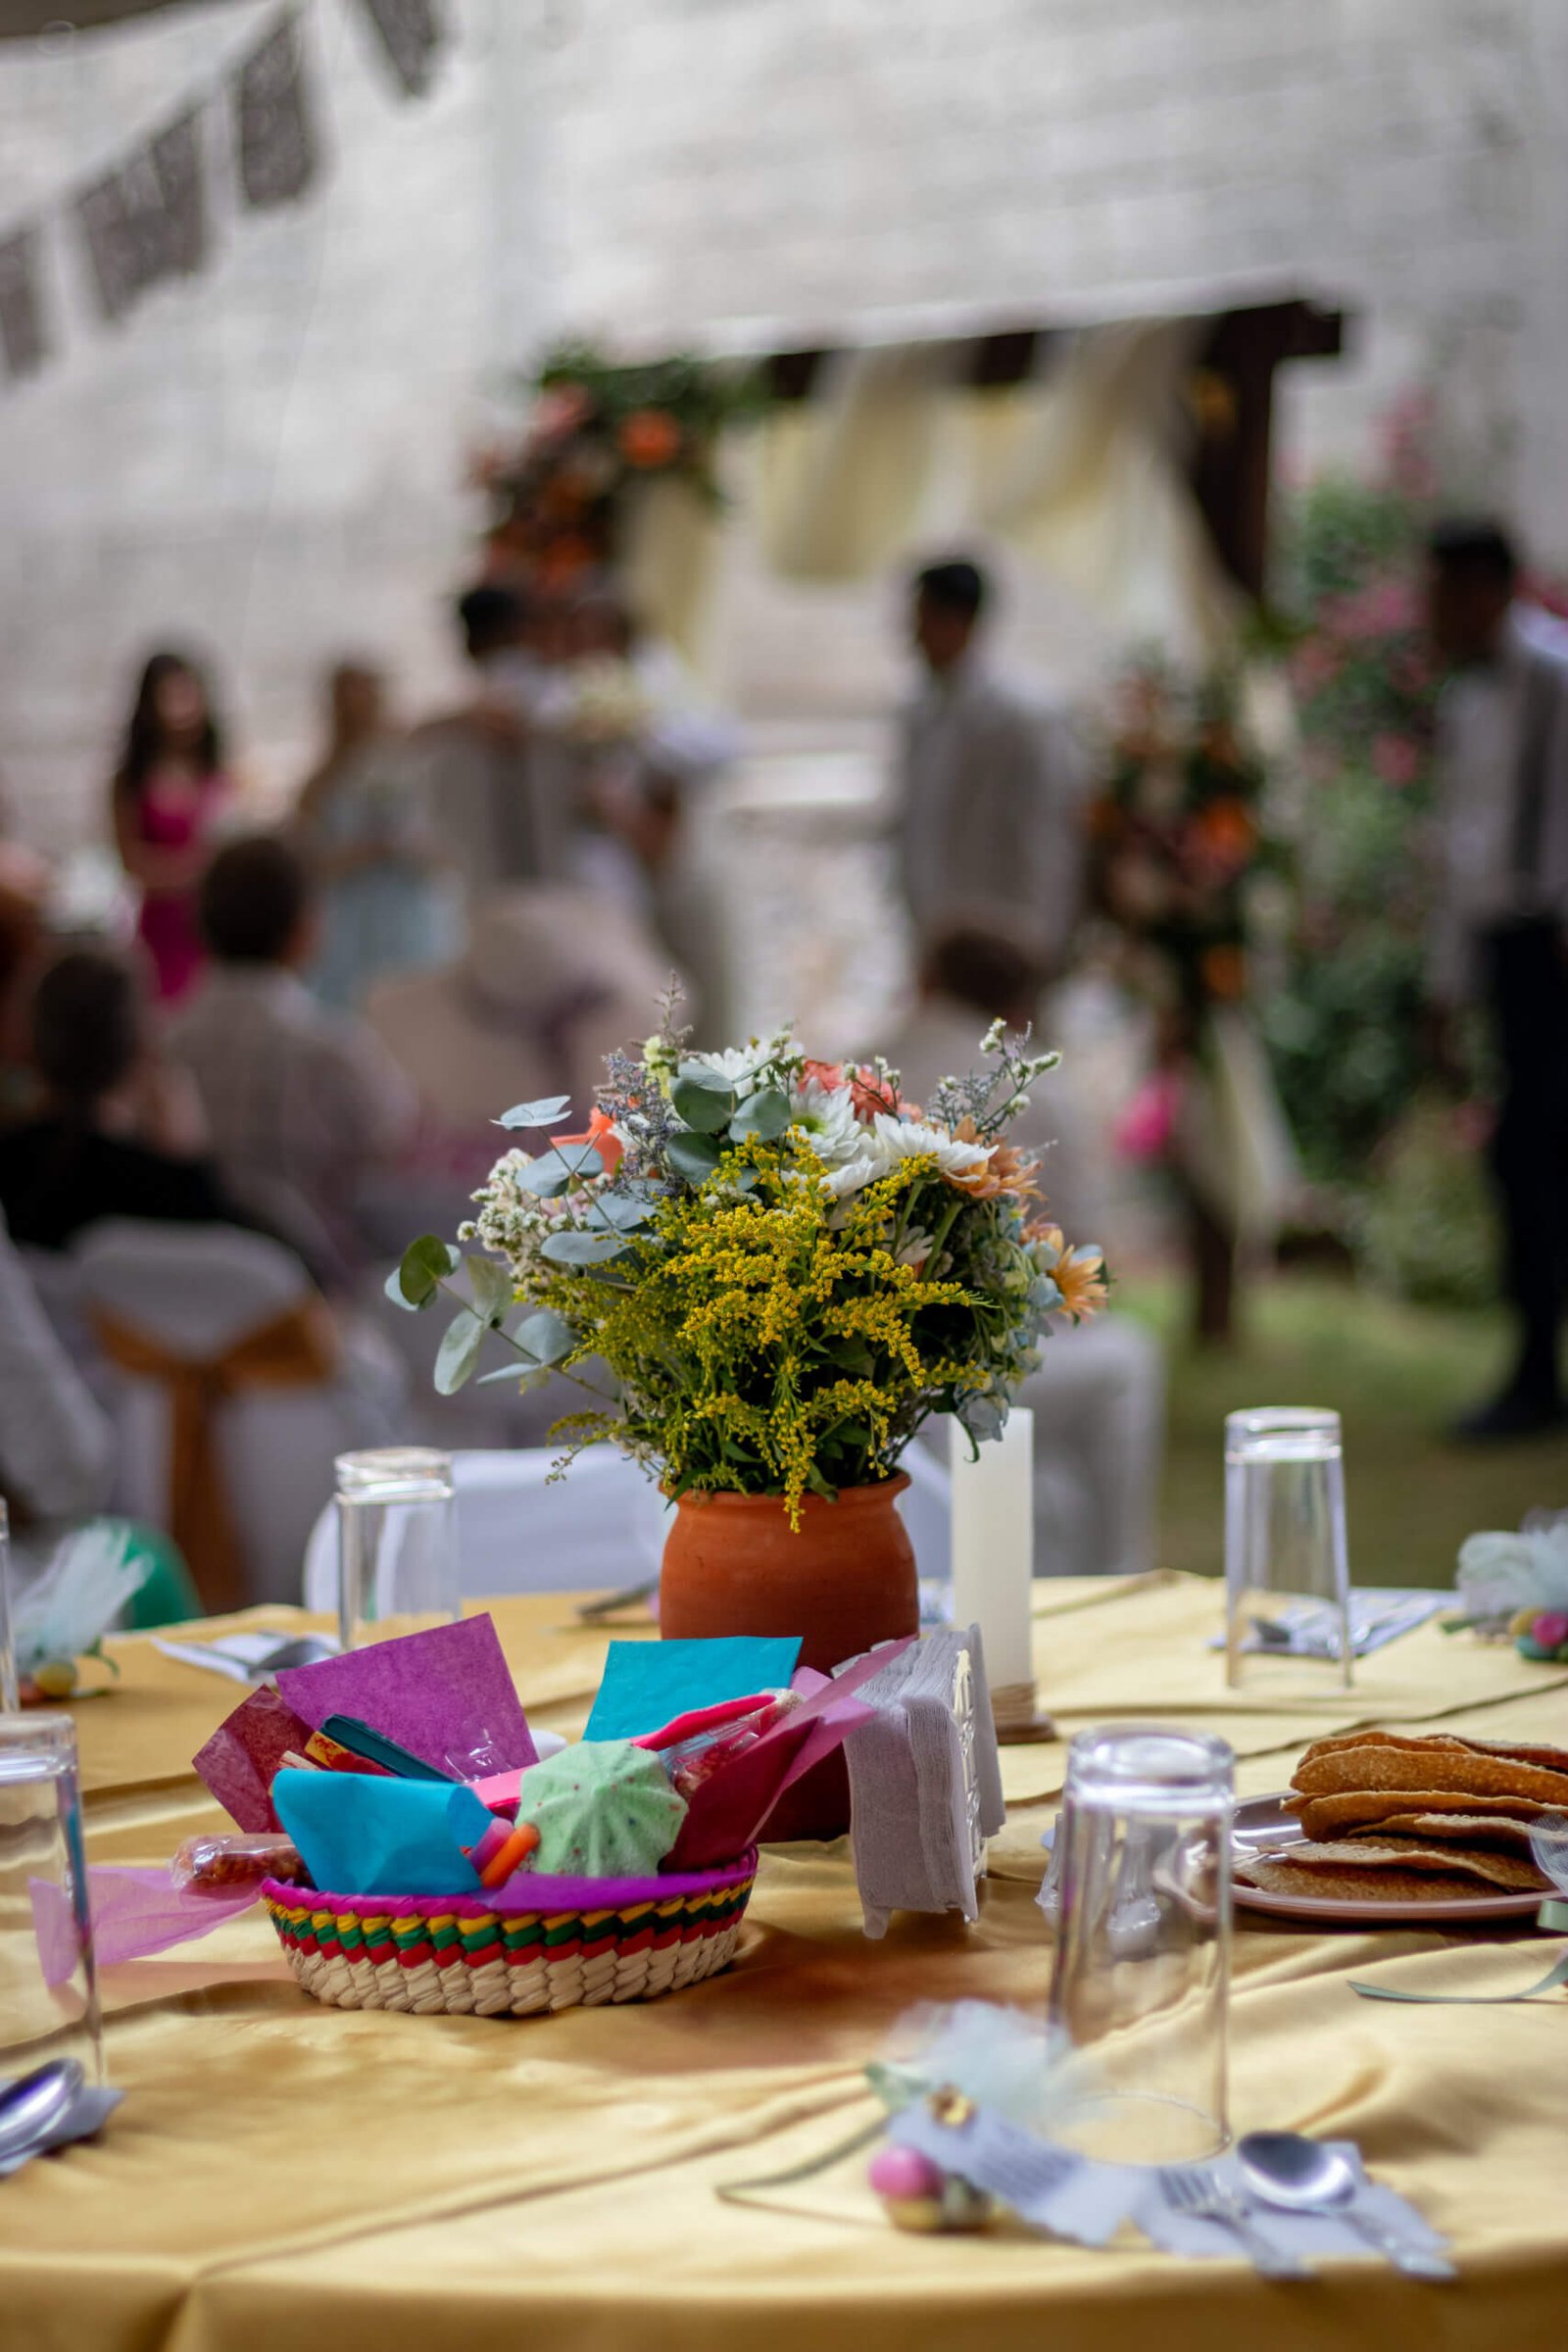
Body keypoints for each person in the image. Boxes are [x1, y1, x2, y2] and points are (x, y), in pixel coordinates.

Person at [1426, 518, 1568, 1437]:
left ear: (1486, 590)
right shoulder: (1467, 704)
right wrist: (1447, 986)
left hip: (1554, 945)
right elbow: (1465, 856)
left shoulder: (1555, 676)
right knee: (1525, 1160)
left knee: (1543, 1152)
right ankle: (1534, 1368)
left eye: (1443, 594)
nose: (1432, 615)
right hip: (1508, 952)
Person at [167, 836, 417, 1292]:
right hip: (319, 1293)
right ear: (305, 931)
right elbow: (401, 1145)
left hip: (187, 1294)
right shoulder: (333, 1052)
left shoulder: (163, 1049)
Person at [896, 559, 1088, 970]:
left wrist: (1041, 947)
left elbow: (1046, 839)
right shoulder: (920, 710)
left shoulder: (1026, 716)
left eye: (924, 620)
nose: (914, 636)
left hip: (1008, 940)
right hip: (935, 933)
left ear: (959, 620)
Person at [0, 949, 251, 1251]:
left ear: (29, 1040)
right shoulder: (176, 1192)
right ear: (143, 1045)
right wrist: (189, 1157)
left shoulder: (12, 1169)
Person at [294, 660, 452, 1009]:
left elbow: (442, 850)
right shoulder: (322, 782)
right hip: (350, 914)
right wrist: (365, 852)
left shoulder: (409, 764)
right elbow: (311, 861)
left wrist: (406, 847)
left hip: (405, 908)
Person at [110, 650, 233, 1005]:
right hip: (163, 930)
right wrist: (198, 871)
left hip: (216, 927)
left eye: (187, 695)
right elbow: (132, 863)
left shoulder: (218, 773)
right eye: (169, 697)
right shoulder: (131, 781)